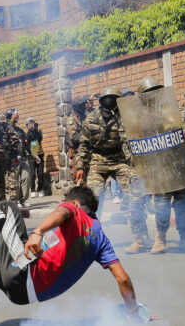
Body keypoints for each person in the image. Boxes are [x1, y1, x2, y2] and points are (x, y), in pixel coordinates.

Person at [0, 186, 149, 326]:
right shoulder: (101, 239)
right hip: (29, 292)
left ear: (76, 204)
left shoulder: (73, 210)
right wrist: (133, 312)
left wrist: (38, 231)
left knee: (7, 208)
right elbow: (122, 278)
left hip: (25, 276)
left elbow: (61, 212)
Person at [75, 87, 151, 253]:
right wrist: (80, 166)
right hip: (97, 162)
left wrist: (135, 160)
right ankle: (91, 241)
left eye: (113, 98)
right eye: (107, 98)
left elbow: (132, 140)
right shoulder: (91, 119)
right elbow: (84, 146)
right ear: (102, 101)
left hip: (118, 161)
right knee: (93, 199)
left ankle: (140, 238)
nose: (110, 102)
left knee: (135, 191)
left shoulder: (124, 116)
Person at [138, 77, 185, 254]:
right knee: (161, 204)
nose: (153, 96)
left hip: (179, 166)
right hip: (160, 168)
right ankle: (160, 237)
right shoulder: (139, 120)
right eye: (149, 93)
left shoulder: (174, 112)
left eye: (156, 92)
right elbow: (134, 146)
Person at [4, 109, 30, 207]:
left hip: (23, 158)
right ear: (11, 115)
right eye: (15, 114)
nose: (18, 115)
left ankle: (23, 200)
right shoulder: (6, 127)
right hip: (12, 158)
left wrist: (34, 155)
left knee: (26, 177)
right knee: (14, 181)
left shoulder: (20, 130)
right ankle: (15, 201)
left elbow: (26, 144)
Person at [25, 118, 48, 197]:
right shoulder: (26, 133)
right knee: (32, 174)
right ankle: (33, 190)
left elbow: (39, 139)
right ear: (27, 125)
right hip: (31, 155)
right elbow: (30, 142)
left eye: (33, 123)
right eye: (30, 123)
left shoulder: (37, 131)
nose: (32, 125)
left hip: (40, 154)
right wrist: (35, 155)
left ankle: (40, 190)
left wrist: (36, 130)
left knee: (40, 173)